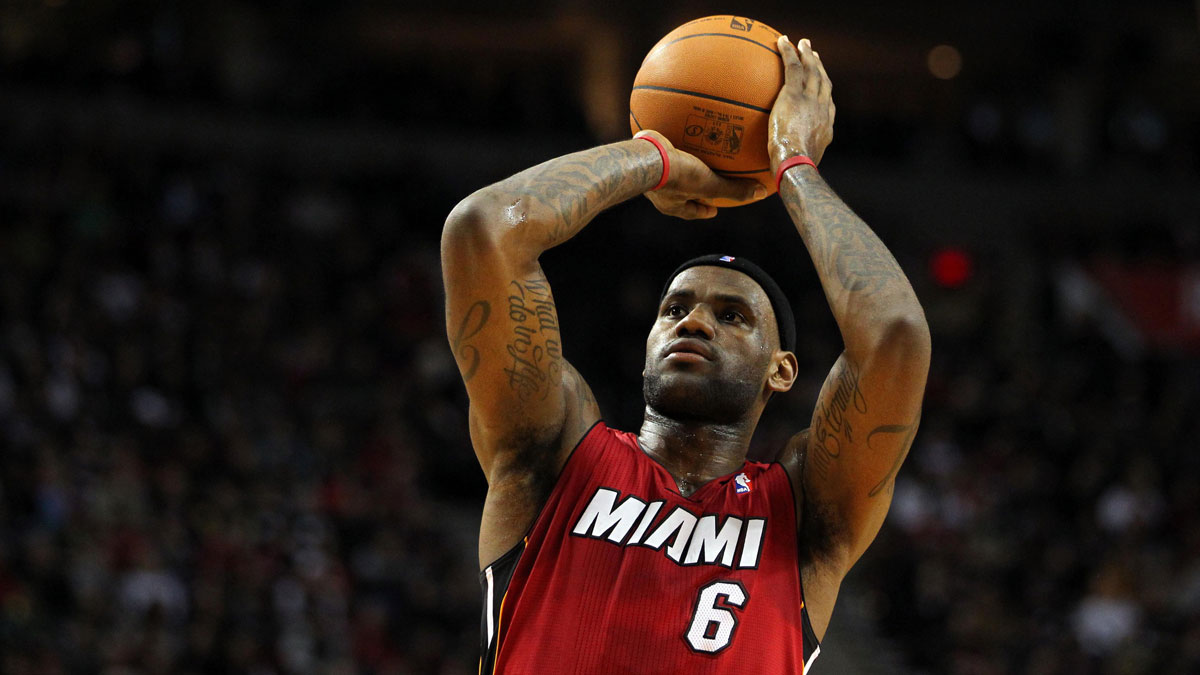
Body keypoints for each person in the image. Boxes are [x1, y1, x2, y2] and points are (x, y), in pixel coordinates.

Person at [441, 36, 929, 673]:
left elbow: (895, 336)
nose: (694, 321)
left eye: (732, 316)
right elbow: (483, 230)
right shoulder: (554, 451)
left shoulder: (804, 513)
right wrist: (657, 158)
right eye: (674, 308)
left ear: (782, 370)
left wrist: (794, 167)